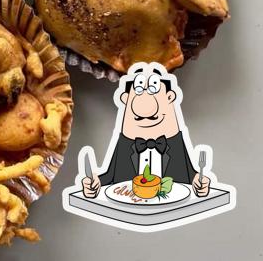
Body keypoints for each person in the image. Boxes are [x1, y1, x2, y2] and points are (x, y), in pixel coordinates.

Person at [82, 63, 210, 198]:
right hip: (129, 209)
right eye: (138, 89)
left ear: (170, 97)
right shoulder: (126, 143)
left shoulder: (174, 142)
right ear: (125, 99)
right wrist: (94, 183)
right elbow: (111, 176)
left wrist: (199, 182)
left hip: (171, 206)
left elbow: (188, 176)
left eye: (153, 89)